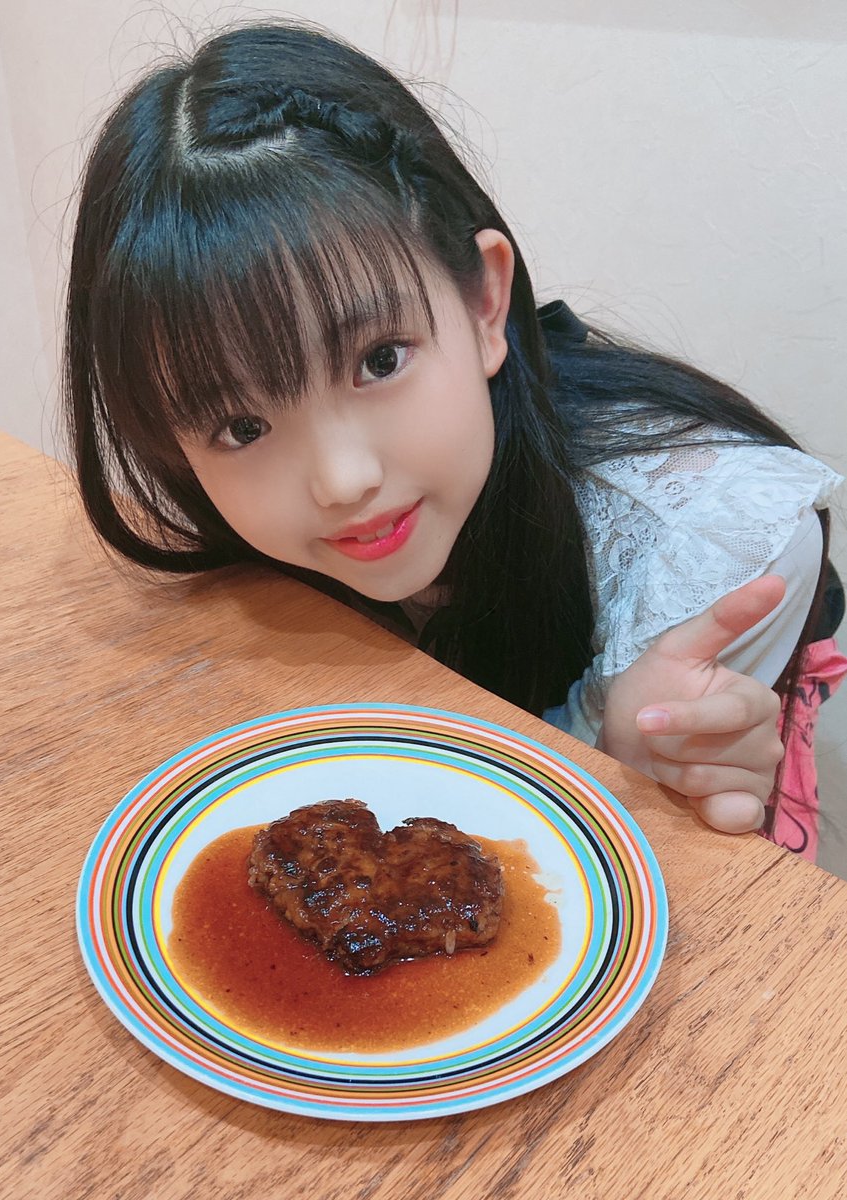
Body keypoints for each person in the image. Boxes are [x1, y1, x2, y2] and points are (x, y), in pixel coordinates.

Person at [61, 22, 844, 853]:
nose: (342, 480)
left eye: (379, 359)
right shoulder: (241, 540)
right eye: (242, 425)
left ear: (484, 304)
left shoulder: (711, 546)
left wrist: (624, 757)